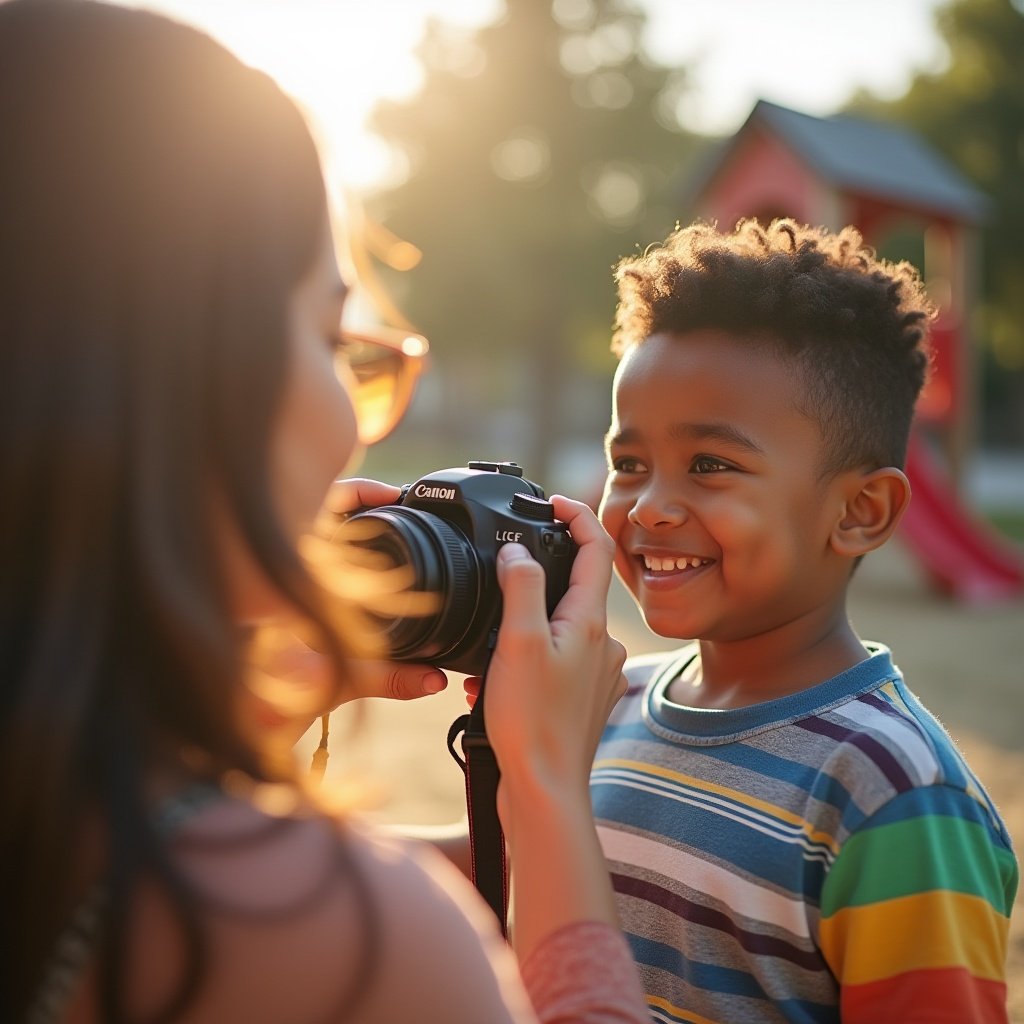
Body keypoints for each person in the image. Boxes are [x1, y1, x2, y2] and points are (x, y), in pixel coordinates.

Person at [0, 2, 649, 1021]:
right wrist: (548, 792)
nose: (352, 414)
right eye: (331, 332)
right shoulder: (347, 940)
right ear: (181, 378)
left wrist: (229, 721)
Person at [590, 218, 1019, 1022]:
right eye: (628, 463)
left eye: (711, 465)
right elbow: (494, 855)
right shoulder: (608, 703)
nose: (647, 507)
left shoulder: (893, 794)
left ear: (860, 511)